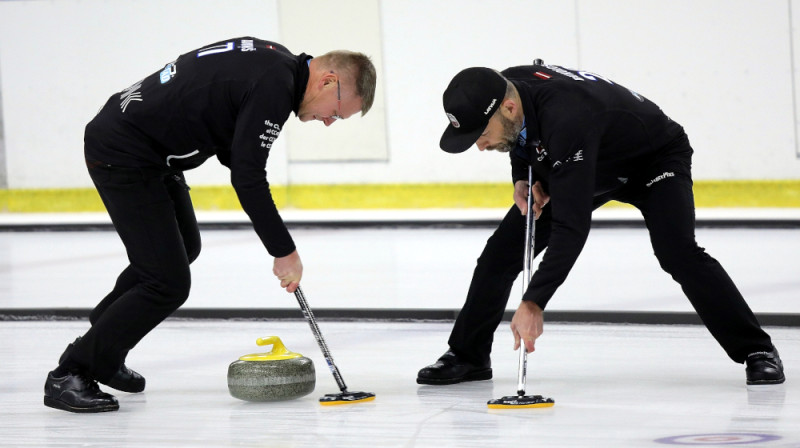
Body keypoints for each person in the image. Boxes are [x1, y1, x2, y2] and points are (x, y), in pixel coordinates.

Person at [44, 37, 377, 413]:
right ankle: (71, 371)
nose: (329, 122)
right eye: (337, 112)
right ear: (328, 81)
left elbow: (228, 135)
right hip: (125, 153)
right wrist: (283, 251)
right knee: (166, 282)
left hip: (145, 148)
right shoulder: (276, 85)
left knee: (183, 250)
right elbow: (248, 176)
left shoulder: (275, 63)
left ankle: (103, 349)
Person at [417, 61, 784, 388]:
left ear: (509, 108)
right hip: (587, 158)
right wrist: (522, 177)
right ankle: (468, 357)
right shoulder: (506, 89)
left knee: (678, 253)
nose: (480, 146)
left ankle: (757, 351)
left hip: (653, 160)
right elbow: (519, 137)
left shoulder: (568, 118)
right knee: (501, 253)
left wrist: (534, 301)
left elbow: (571, 228)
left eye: (481, 135)